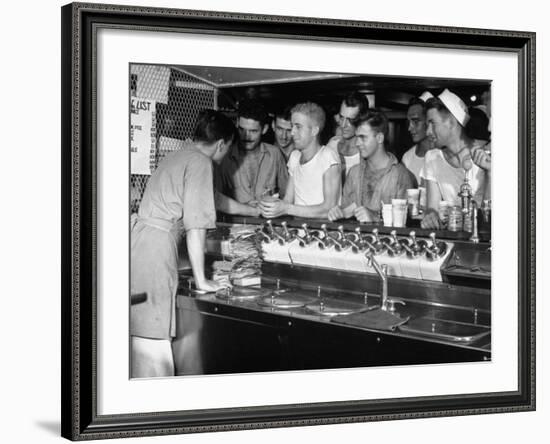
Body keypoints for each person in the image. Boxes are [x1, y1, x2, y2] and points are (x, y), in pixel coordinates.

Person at [130, 109, 234, 378]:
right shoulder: (201, 162)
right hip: (155, 250)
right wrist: (202, 281)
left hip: (140, 243)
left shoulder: (178, 155)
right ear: (222, 144)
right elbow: (196, 227)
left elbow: (211, 200)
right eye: (229, 148)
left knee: (142, 335)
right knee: (153, 346)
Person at [328, 109, 417, 223]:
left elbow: (406, 223)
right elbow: (347, 213)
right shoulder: (354, 173)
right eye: (357, 137)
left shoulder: (401, 176)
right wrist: (339, 213)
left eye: (363, 137)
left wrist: (376, 217)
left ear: (380, 138)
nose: (357, 143)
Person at [420, 89, 491, 230]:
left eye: (432, 123)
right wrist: (430, 215)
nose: (428, 131)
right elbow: (432, 207)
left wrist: (490, 172)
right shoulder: (432, 158)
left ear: (452, 122)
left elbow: (492, 214)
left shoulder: (487, 154)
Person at [259, 102, 341, 219]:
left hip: (323, 232)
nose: (292, 132)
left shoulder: (328, 157)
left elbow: (328, 209)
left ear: (314, 131)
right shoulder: (295, 157)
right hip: (298, 229)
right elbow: (288, 200)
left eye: (298, 127)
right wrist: (271, 206)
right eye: (292, 126)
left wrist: (286, 209)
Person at [217, 99, 288, 206]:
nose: (246, 136)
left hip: (268, 221)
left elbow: (287, 195)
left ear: (264, 129)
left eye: (253, 131)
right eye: (242, 130)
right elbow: (216, 199)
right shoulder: (224, 156)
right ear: (237, 123)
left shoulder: (275, 154)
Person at [326, 92, 370, 184]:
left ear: (362, 119)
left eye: (350, 120)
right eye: (342, 117)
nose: (343, 125)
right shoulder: (332, 145)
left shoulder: (367, 152)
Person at [401, 94, 435, 184]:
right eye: (409, 122)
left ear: (429, 121)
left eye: (415, 122)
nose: (409, 128)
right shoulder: (407, 158)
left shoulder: (443, 155)